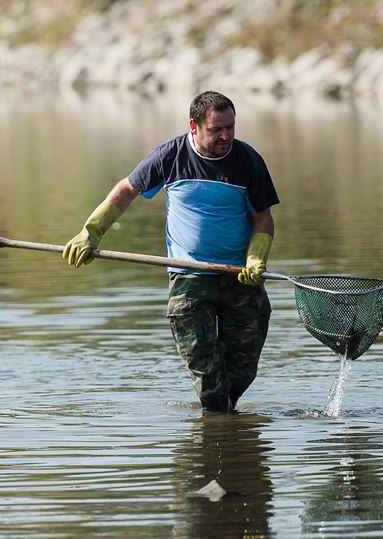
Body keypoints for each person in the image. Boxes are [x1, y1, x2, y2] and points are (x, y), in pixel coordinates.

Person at [62, 91, 278, 412]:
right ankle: (219, 431)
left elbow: (262, 218)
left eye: (231, 127)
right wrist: (90, 232)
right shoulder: (170, 156)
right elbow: (125, 191)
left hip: (240, 277)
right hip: (189, 278)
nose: (226, 135)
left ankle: (227, 431)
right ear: (194, 126)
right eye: (216, 129)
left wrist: (256, 257)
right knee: (208, 375)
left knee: (242, 371)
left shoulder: (248, 160)